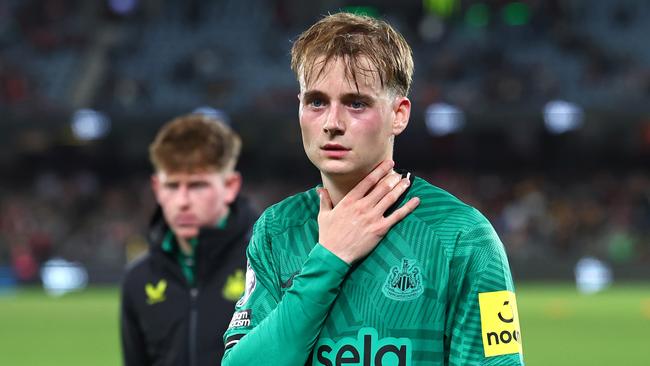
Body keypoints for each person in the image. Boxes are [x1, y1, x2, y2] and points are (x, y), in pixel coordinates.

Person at [222, 12, 523, 366]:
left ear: (399, 114)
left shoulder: (465, 237)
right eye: (317, 101)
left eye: (356, 103)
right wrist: (328, 258)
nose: (332, 123)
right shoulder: (276, 230)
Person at [120, 114, 257, 366]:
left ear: (230, 186)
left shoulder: (266, 266)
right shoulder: (138, 279)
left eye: (197, 186)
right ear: (157, 188)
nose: (182, 201)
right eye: (172, 186)